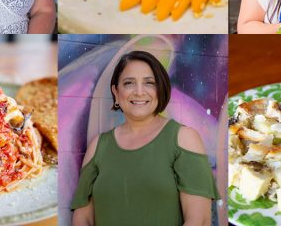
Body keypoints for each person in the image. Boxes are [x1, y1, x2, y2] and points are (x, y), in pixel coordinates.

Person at [71, 50, 217, 226]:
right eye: (129, 83)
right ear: (116, 93)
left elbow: (199, 221)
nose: (139, 92)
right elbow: (83, 219)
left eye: (149, 83)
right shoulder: (98, 146)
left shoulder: (184, 138)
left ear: (160, 89)